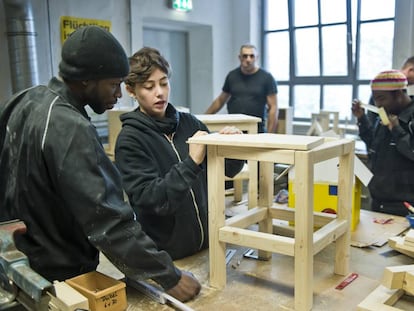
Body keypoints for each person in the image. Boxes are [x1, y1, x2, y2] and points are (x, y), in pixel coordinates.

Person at [0, 26, 200, 302]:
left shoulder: (27, 98)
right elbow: (109, 221)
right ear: (86, 81)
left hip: (18, 258)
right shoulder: (70, 128)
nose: (119, 94)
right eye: (113, 84)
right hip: (59, 274)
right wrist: (170, 277)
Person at [114, 47, 244, 260]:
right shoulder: (130, 141)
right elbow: (154, 201)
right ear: (131, 90)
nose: (160, 92)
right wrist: (191, 162)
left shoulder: (190, 123)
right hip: (170, 258)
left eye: (164, 83)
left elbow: (228, 170)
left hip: (209, 245)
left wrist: (232, 147)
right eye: (149, 86)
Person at [351, 69, 414, 216]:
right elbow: (373, 145)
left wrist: (396, 129)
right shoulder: (386, 114)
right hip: (379, 202)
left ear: (398, 94)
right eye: (375, 100)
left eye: (381, 98)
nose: (378, 104)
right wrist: (362, 119)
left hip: (405, 206)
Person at [205, 44, 278, 133]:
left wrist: (270, 135)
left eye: (252, 56)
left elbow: (273, 108)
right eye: (245, 56)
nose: (248, 59)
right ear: (240, 57)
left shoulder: (267, 78)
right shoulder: (232, 76)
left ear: (256, 58)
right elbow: (220, 101)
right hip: (233, 130)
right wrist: (203, 119)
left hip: (256, 130)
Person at [366, 56, 414, 124]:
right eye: (379, 98)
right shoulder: (383, 86)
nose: (378, 104)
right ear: (411, 70)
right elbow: (372, 124)